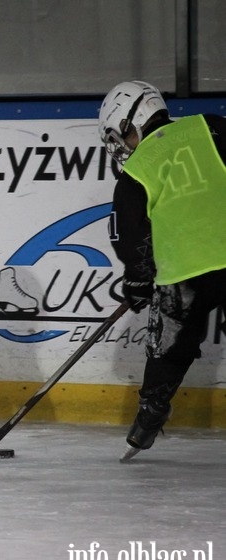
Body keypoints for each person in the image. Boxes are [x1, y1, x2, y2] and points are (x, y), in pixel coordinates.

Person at [99, 80, 226, 454]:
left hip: (182, 274)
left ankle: (148, 419)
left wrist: (139, 280)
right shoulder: (214, 126)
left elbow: (129, 236)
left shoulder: (135, 172)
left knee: (168, 349)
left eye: (119, 137)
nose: (123, 148)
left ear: (130, 122)